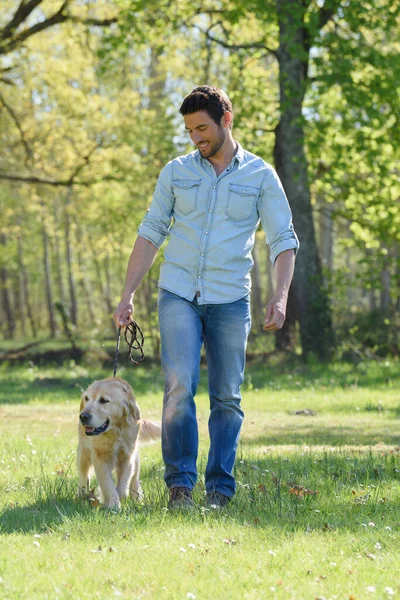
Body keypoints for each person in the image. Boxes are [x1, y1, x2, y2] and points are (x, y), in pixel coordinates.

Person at [114, 85, 299, 509]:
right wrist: (128, 293)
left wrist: (281, 295)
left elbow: (284, 240)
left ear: (226, 121)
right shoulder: (177, 172)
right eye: (189, 130)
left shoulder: (260, 176)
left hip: (231, 298)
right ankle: (180, 486)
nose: (196, 137)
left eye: (202, 128)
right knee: (178, 387)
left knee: (227, 397)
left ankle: (219, 489)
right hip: (178, 292)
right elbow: (150, 232)